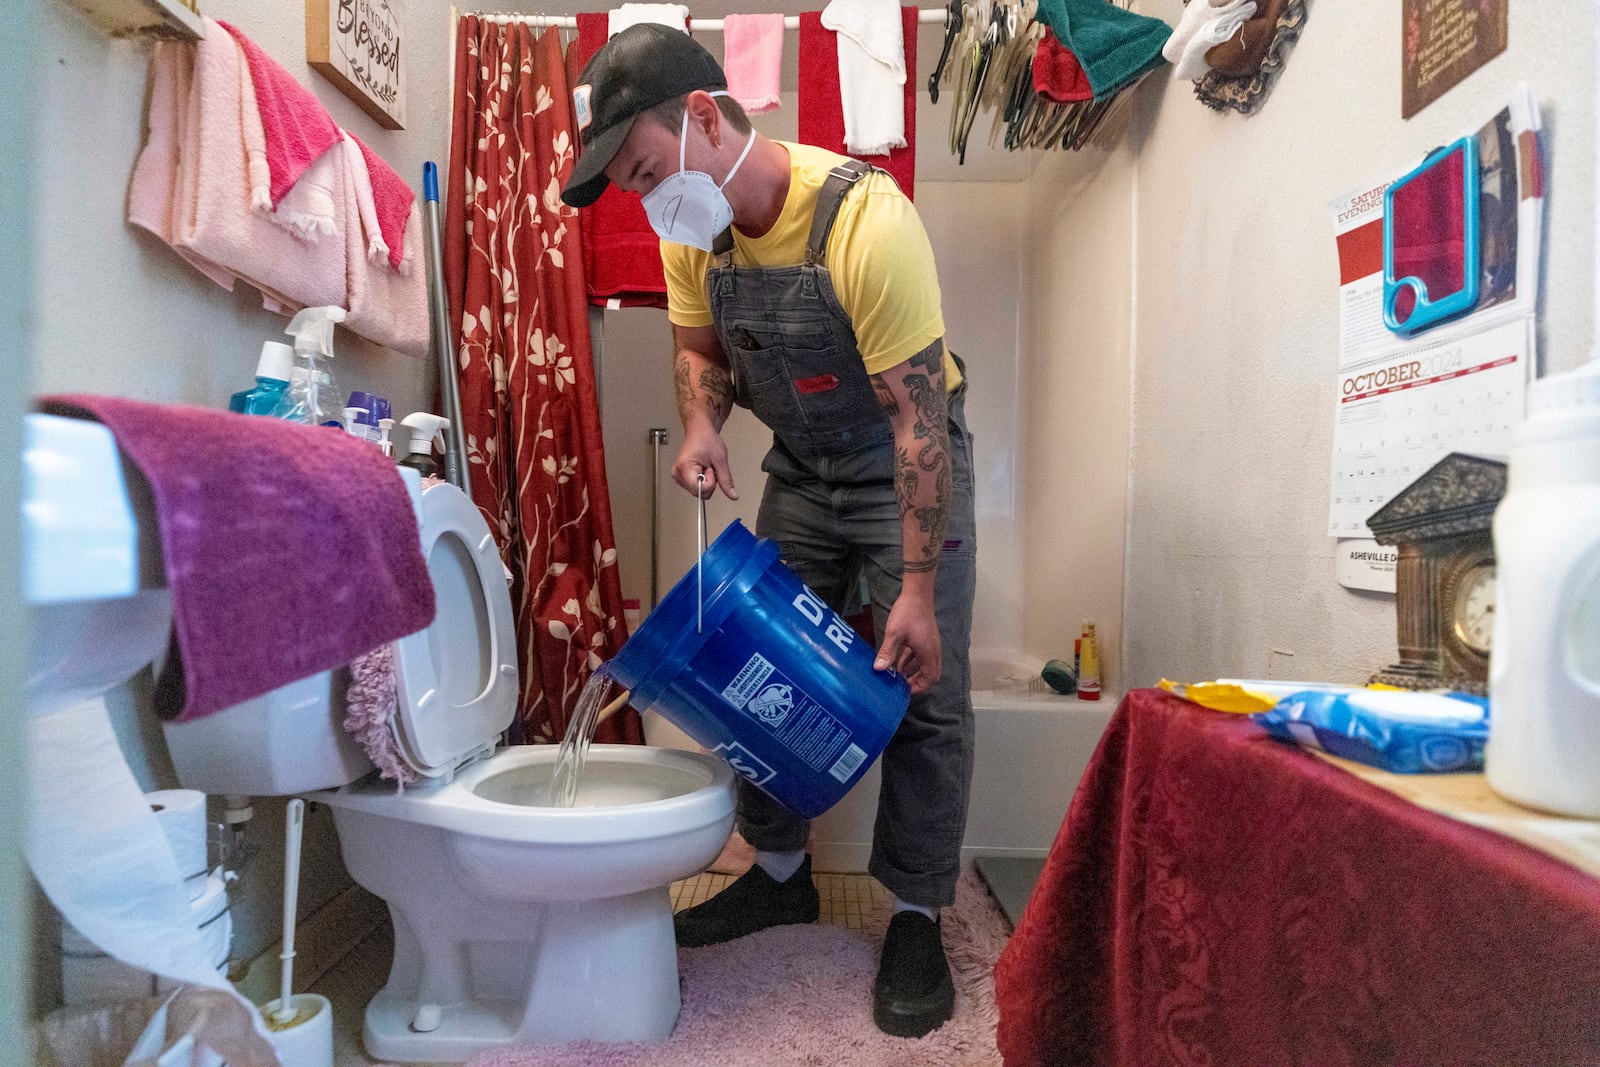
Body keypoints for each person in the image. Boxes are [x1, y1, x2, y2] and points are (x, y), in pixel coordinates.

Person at [562, 25, 977, 1039]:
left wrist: (914, 592)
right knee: (755, 666)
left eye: (650, 169)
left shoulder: (865, 223)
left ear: (702, 114)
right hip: (804, 467)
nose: (648, 198)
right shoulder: (688, 230)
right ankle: (780, 874)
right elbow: (698, 348)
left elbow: (918, 424)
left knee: (922, 688)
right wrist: (703, 421)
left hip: (898, 464)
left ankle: (916, 913)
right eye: (629, 184)